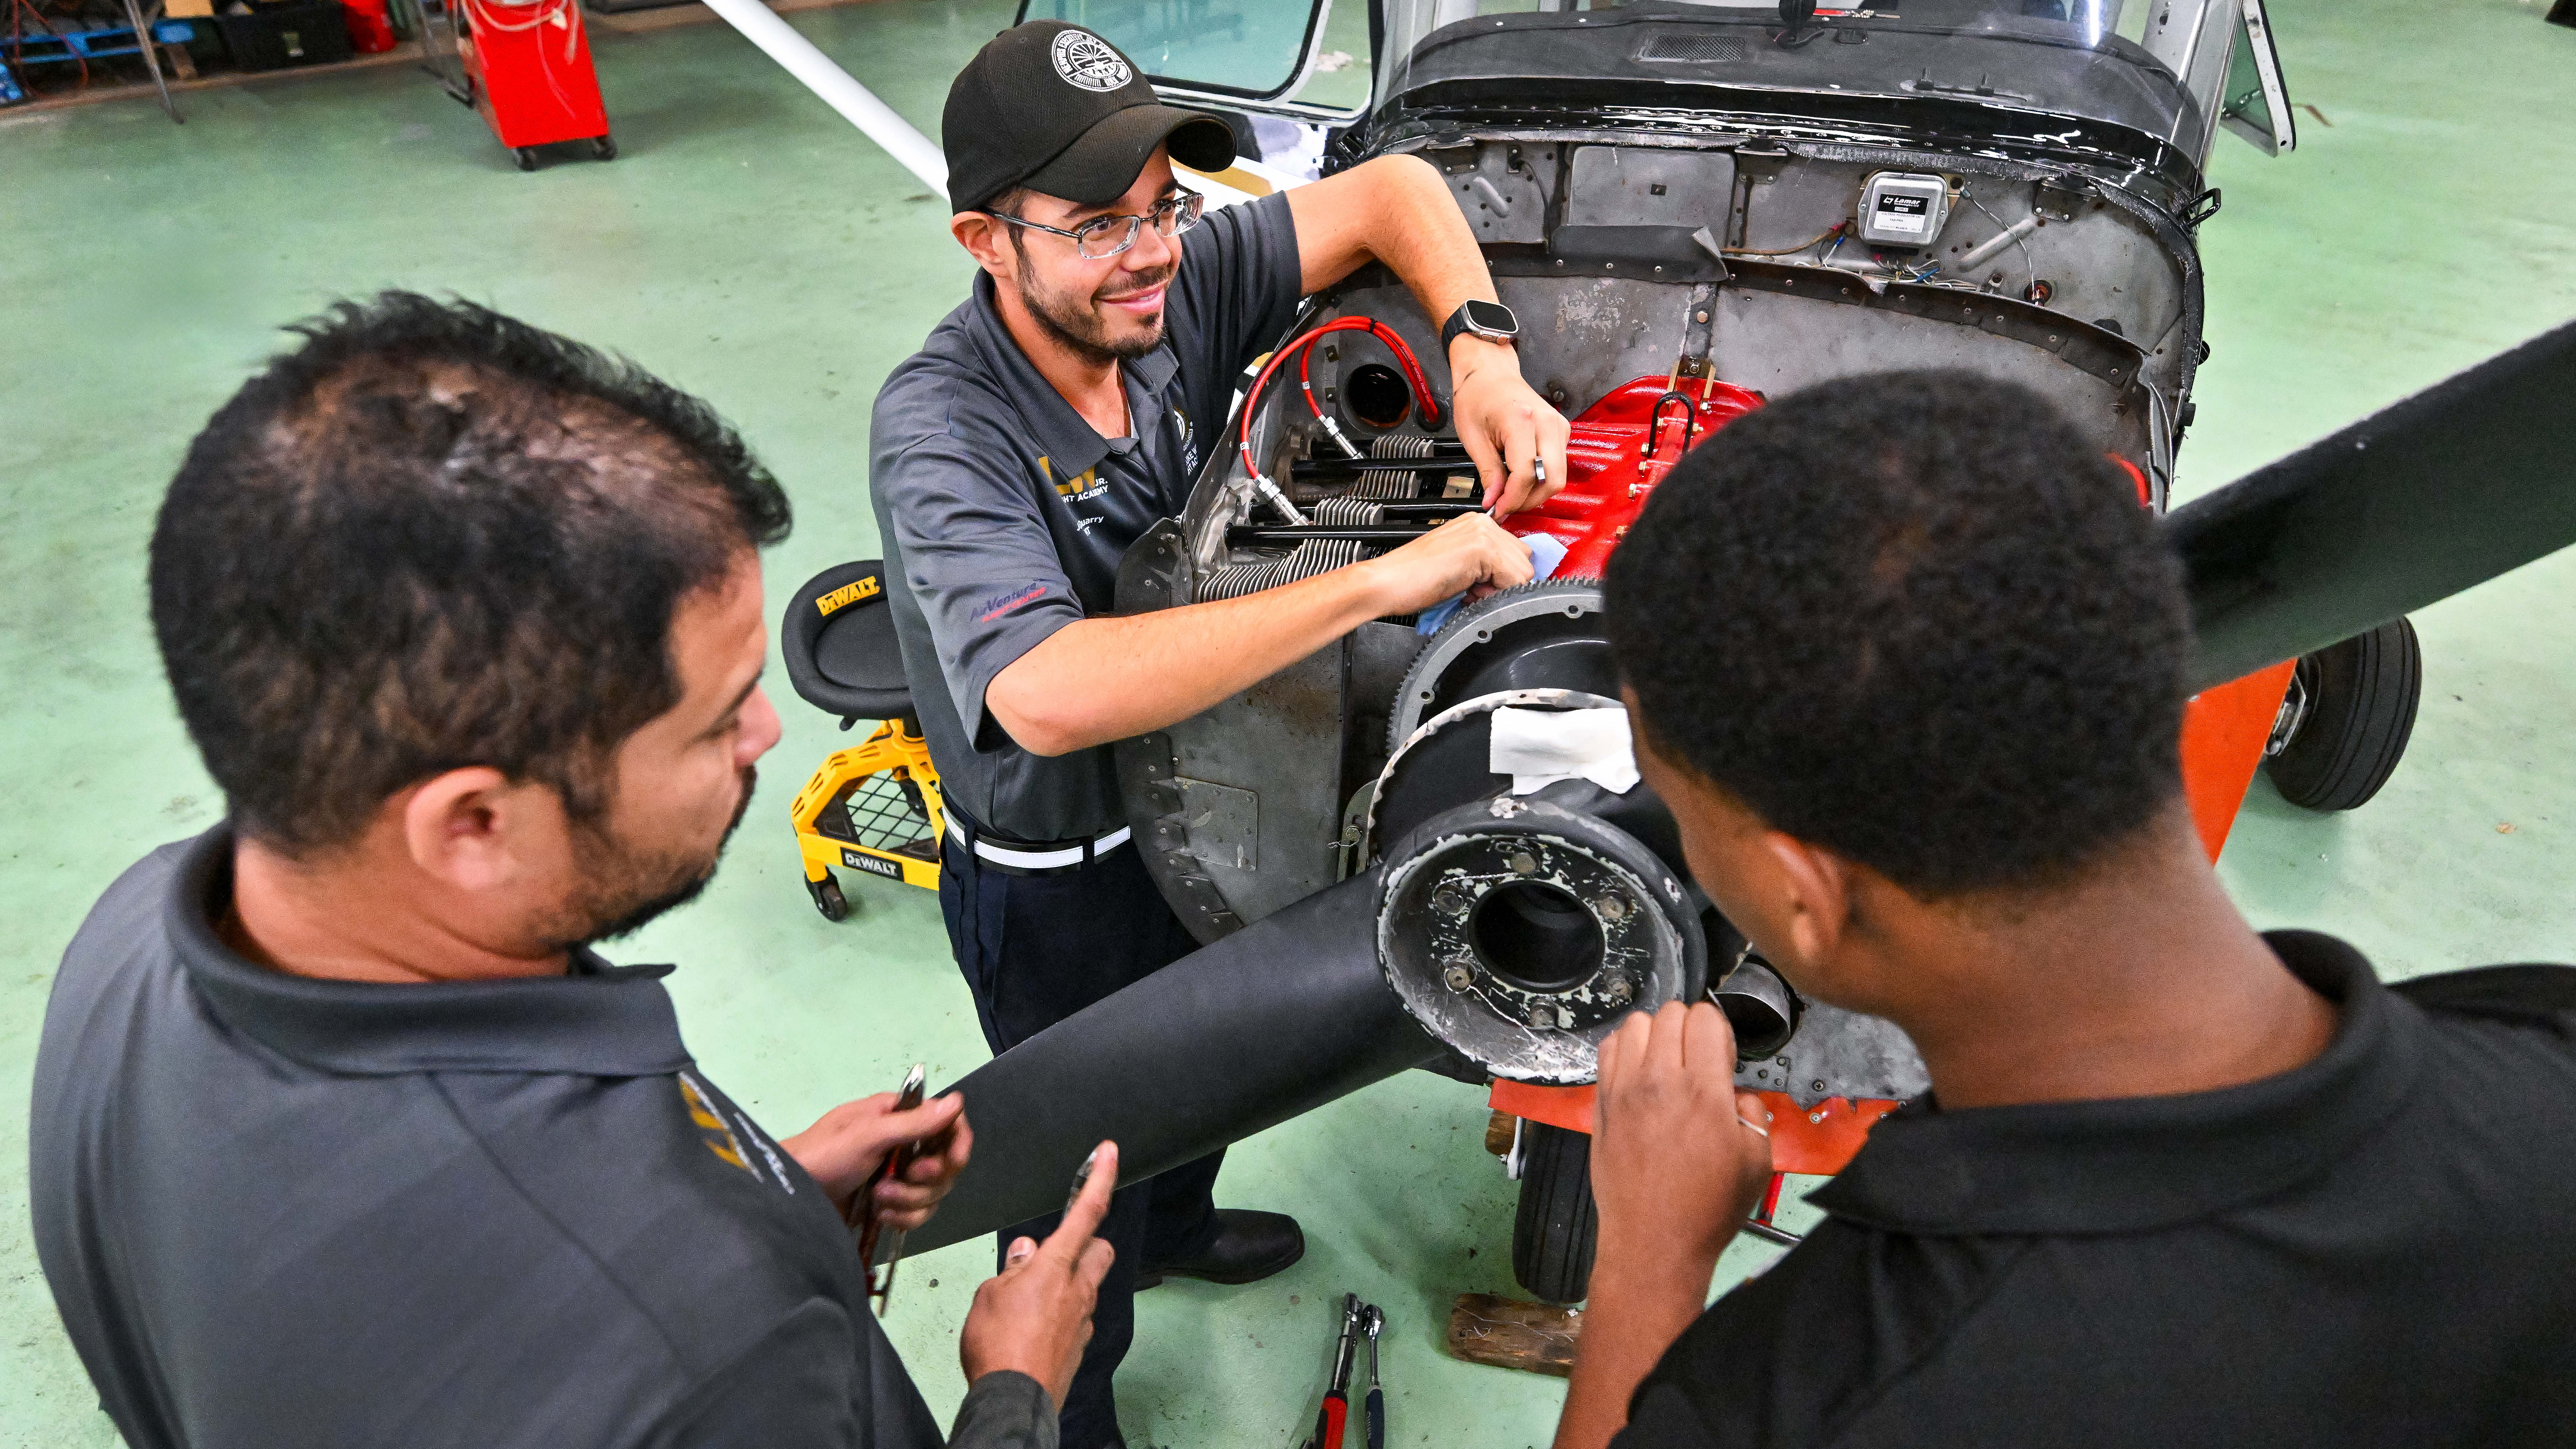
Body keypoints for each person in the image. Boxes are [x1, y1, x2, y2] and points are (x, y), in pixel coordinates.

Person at [30, 293, 1120, 1449]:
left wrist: (766, 1195)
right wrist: (1018, 1388)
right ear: (472, 826)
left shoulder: (134, 936)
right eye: (712, 723)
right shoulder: (714, 1363)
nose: (766, 734)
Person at [1559, 371, 2576, 1449]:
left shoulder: (1811, 1393)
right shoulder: (2547, 1049)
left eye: (1675, 805)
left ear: (1807, 902)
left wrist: (1648, 1269)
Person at [868, 22, 1572, 1446]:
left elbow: (1395, 195)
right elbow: (1046, 691)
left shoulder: (1168, 291)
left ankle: (1179, 1221)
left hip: (1203, 805)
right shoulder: (943, 428)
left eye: (1165, 209)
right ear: (983, 240)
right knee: (1080, 1204)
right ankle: (1073, 1405)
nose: (1152, 254)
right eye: (1099, 227)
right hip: (1055, 879)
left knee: (1203, 1087)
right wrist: (1381, 577)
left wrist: (1481, 352)